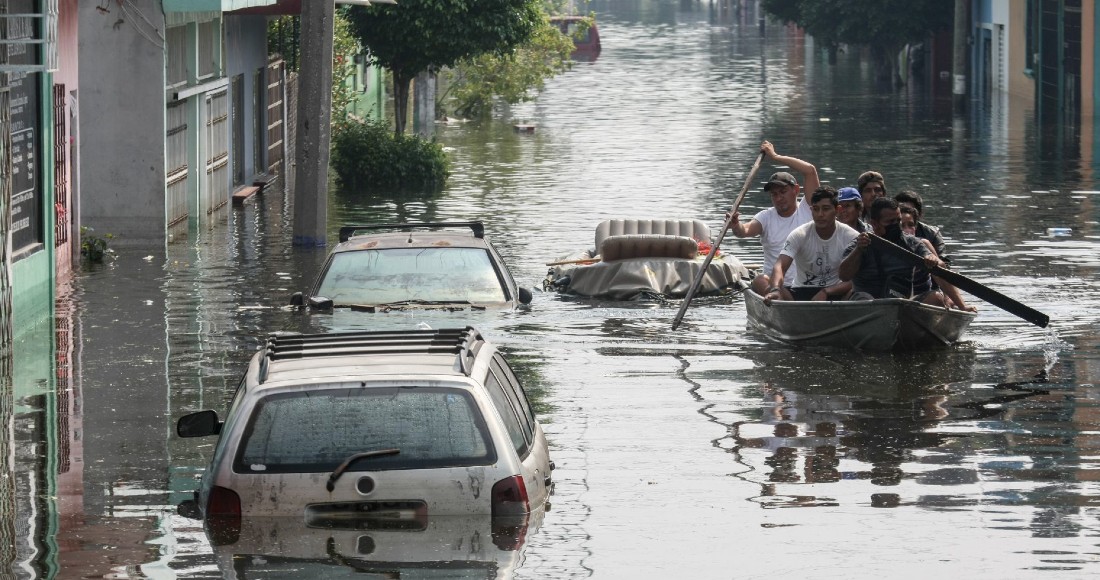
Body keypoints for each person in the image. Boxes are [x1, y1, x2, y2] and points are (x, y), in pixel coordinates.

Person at [839, 197, 971, 310]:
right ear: (874, 224)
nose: (896, 226)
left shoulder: (912, 243)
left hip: (901, 306)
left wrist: (962, 306)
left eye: (898, 221)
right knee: (862, 299)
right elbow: (844, 275)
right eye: (890, 222)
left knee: (935, 298)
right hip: (869, 306)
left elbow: (940, 271)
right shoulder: (861, 243)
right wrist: (859, 250)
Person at [730, 141, 819, 295]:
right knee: (758, 280)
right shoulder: (766, 217)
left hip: (807, 285)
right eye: (774, 194)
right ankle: (778, 300)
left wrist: (775, 156)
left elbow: (810, 171)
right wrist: (735, 225)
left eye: (783, 192)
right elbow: (744, 231)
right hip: (775, 286)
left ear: (796, 190)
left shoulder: (809, 208)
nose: (778, 198)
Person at [764, 186, 858, 304]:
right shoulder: (799, 234)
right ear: (811, 210)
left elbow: (859, 277)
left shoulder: (851, 236)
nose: (820, 214)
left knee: (857, 290)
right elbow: (780, 266)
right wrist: (775, 289)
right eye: (816, 209)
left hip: (835, 292)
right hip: (801, 292)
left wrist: (826, 291)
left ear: (837, 210)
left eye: (826, 209)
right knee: (769, 287)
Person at [894, 189, 948, 263]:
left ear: (918, 215)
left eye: (909, 210)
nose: (906, 230)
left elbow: (944, 266)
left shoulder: (931, 234)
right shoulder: (887, 233)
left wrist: (932, 259)